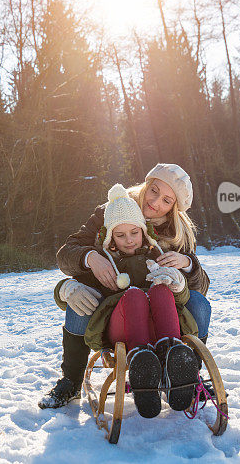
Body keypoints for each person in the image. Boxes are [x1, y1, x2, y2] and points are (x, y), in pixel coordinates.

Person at [38, 164, 211, 411]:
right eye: (153, 190)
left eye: (166, 200)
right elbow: (66, 253)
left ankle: (184, 376)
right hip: (118, 307)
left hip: (163, 308)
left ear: (173, 207)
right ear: (146, 184)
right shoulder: (111, 211)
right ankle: (70, 381)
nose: (154, 202)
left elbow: (201, 287)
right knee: (80, 300)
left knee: (200, 304)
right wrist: (90, 257)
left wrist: (187, 264)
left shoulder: (174, 232)